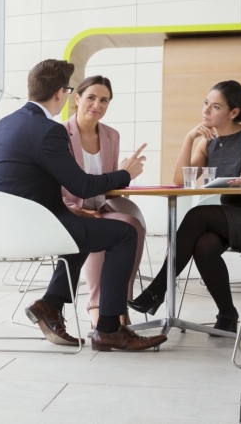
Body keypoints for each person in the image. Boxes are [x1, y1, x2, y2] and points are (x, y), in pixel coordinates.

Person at [0, 59, 166, 352]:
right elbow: (81, 185)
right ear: (62, 93)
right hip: (30, 228)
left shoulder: (5, 123)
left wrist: (71, 210)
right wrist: (126, 173)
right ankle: (109, 328)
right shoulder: (48, 130)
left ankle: (50, 305)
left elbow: (28, 183)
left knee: (82, 227)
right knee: (124, 233)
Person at [128, 80, 241, 332]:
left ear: (233, 113)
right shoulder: (207, 142)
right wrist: (189, 138)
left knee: (198, 214)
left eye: (216, 106)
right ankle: (228, 316)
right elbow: (180, 181)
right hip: (230, 217)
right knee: (204, 245)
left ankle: (157, 291)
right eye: (206, 103)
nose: (206, 110)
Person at [61, 75, 147, 328]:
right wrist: (77, 209)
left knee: (132, 224)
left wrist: (124, 172)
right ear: (77, 99)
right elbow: (54, 183)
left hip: (99, 205)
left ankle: (118, 304)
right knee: (106, 230)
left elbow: (109, 184)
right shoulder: (61, 134)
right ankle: (97, 305)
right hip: (69, 208)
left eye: (104, 100)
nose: (97, 105)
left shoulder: (111, 135)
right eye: (91, 98)